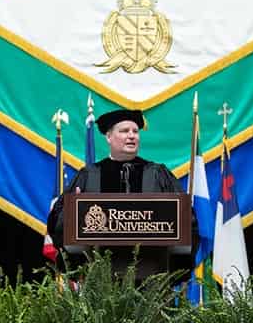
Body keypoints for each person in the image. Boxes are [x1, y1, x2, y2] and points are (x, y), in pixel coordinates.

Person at [45, 109, 193, 277]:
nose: (132, 136)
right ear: (108, 137)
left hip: (151, 275)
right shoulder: (89, 175)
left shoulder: (157, 174)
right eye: (124, 131)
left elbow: (187, 219)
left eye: (135, 131)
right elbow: (56, 222)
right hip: (99, 278)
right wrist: (74, 211)